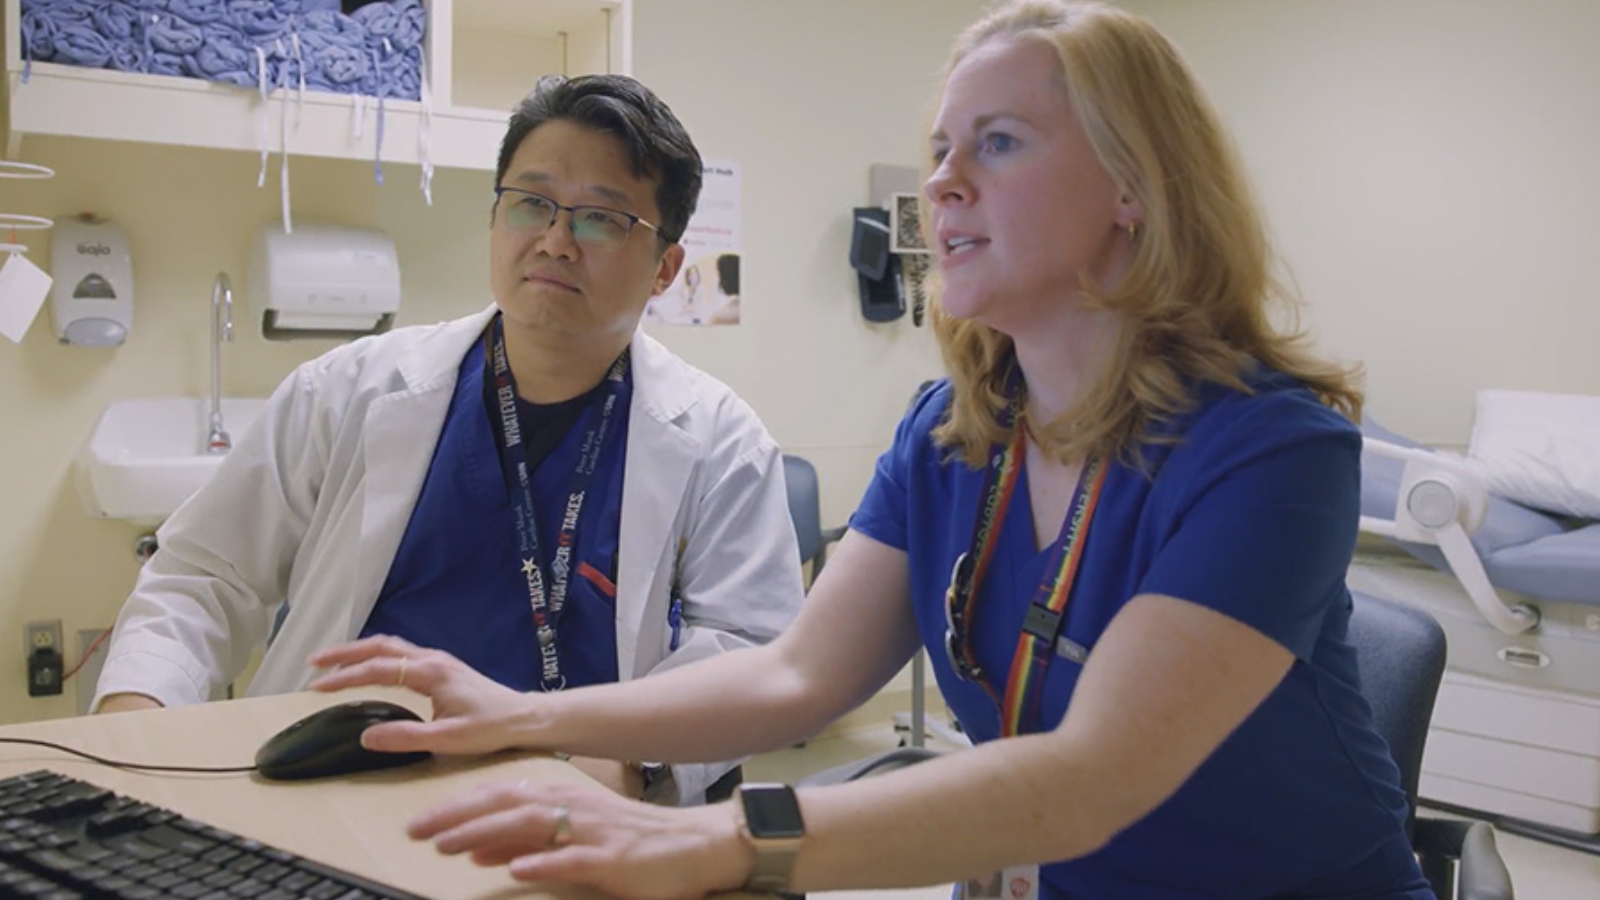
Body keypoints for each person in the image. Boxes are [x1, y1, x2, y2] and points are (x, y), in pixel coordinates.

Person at [309, 2, 1435, 897]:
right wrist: (521, 715)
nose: (942, 180)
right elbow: (799, 676)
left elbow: (1091, 781)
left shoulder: (1273, 453)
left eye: (997, 144)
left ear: (1134, 189)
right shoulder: (952, 432)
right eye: (941, 147)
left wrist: (725, 841)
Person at [92, 74, 805, 806]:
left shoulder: (721, 444)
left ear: (664, 268)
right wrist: (134, 717)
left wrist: (634, 764)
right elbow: (206, 576)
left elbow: (749, 647)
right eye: (531, 203)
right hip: (333, 785)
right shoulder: (345, 390)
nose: (556, 242)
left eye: (600, 218)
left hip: (571, 808)